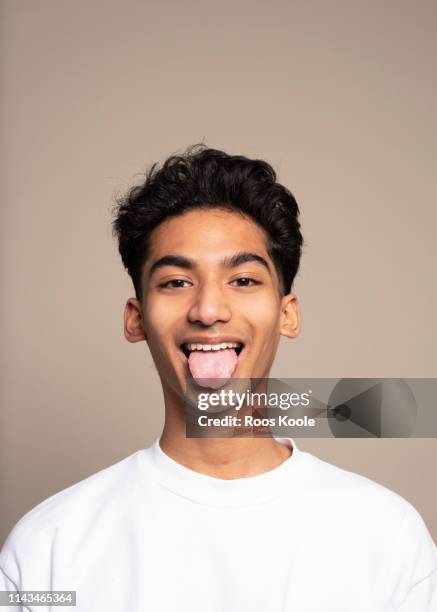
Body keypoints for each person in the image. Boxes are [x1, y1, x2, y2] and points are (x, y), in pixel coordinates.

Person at [1, 145, 436, 611]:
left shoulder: (387, 536)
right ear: (136, 319)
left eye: (244, 280)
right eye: (175, 282)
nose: (208, 310)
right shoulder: (48, 548)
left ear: (287, 315)